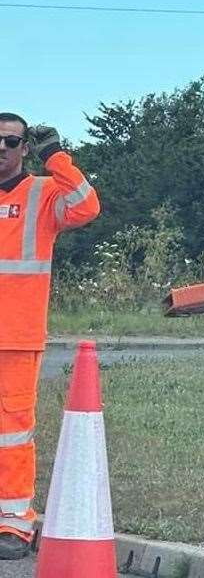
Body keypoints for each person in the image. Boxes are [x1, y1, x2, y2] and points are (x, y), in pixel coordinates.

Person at [0, 113, 99, 560]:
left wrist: (57, 157)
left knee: (11, 433)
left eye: (10, 141)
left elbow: (86, 206)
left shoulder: (43, 193)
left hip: (16, 337)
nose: (1, 148)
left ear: (24, 147)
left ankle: (15, 524)